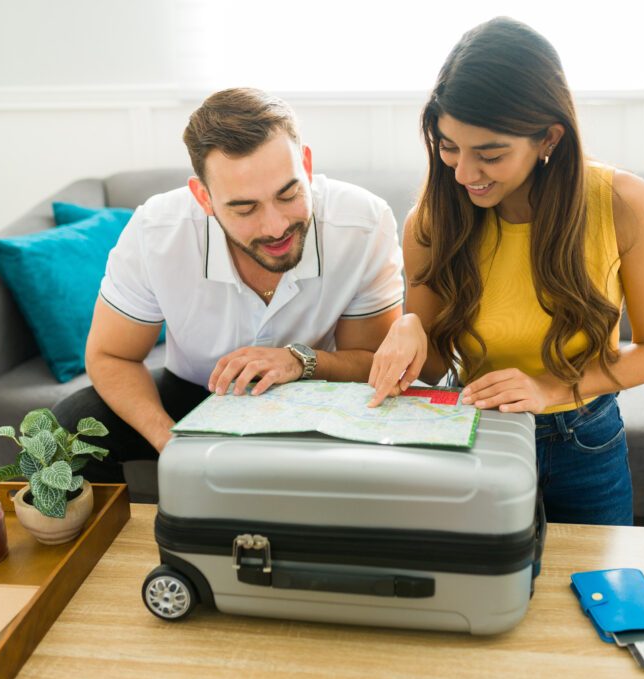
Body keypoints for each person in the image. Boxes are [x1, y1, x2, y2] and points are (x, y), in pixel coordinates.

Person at [367, 17, 644, 525]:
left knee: (593, 593)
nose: (464, 174)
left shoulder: (624, 203)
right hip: (480, 435)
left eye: (489, 154)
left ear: (548, 138)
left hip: (584, 437)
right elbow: (430, 367)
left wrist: (549, 388)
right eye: (449, 148)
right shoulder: (429, 220)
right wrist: (408, 327)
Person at [55, 88, 404, 484]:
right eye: (244, 208)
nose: (275, 227)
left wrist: (299, 360)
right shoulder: (156, 232)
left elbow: (371, 360)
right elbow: (110, 356)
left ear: (306, 167)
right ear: (204, 197)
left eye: (288, 194)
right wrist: (170, 441)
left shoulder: (363, 224)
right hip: (194, 392)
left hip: (313, 388)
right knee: (67, 429)